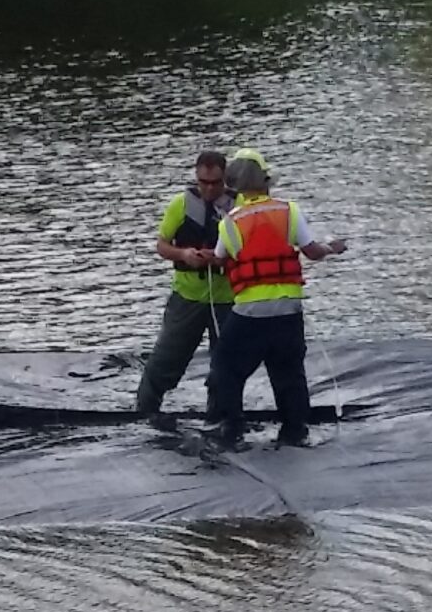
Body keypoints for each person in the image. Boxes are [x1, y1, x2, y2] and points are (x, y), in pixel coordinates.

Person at [203, 148, 347, 448]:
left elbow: (219, 258)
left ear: (234, 185)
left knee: (226, 367)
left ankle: (231, 427)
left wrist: (202, 257)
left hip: (249, 314)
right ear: (266, 180)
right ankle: (296, 431)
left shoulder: (229, 223)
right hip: (288, 311)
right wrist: (333, 247)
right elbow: (312, 251)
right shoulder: (289, 211)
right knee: (289, 373)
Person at [133, 148, 236, 421]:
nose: (209, 188)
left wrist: (220, 260)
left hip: (226, 300)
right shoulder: (180, 204)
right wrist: (185, 255)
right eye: (204, 182)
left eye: (215, 183)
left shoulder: (238, 207)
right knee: (165, 359)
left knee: (225, 365)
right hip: (187, 296)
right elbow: (162, 245)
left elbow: (249, 252)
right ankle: (144, 410)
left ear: (225, 179)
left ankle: (220, 415)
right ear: (196, 177)